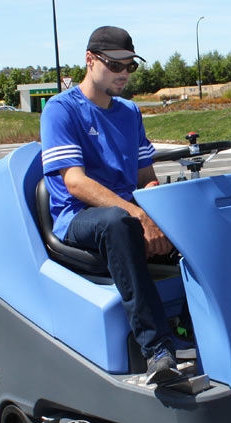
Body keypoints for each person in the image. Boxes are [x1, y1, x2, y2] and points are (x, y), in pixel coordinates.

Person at [40, 26, 182, 384]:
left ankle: (207, 328)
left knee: (193, 215)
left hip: (124, 213)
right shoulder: (60, 110)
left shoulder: (129, 112)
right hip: (79, 217)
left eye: (130, 67)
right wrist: (137, 214)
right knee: (118, 222)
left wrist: (158, 212)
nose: (124, 74)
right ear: (90, 61)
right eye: (115, 66)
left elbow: (145, 178)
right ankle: (157, 348)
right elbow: (75, 182)